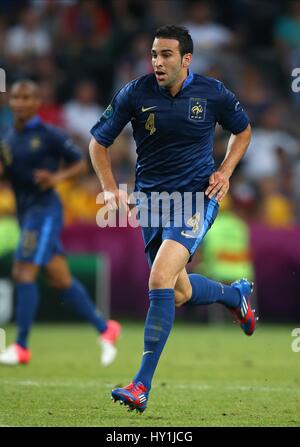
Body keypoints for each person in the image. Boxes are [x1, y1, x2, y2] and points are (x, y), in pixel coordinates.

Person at [89, 25, 256, 413]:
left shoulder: (213, 93)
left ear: (186, 60)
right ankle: (235, 296)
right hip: (152, 203)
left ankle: (141, 385)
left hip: (197, 199)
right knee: (178, 292)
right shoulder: (135, 93)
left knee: (159, 279)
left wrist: (226, 171)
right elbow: (98, 141)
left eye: (165, 55)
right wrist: (111, 187)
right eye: (153, 54)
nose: (157, 62)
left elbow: (243, 131)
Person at [0, 80, 121, 366]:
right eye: (16, 97)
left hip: (45, 212)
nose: (19, 102)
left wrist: (55, 178)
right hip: (26, 213)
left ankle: (21, 347)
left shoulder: (49, 135)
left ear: (36, 102)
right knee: (60, 277)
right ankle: (106, 329)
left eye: (26, 97)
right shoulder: (7, 139)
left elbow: (79, 163)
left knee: (23, 272)